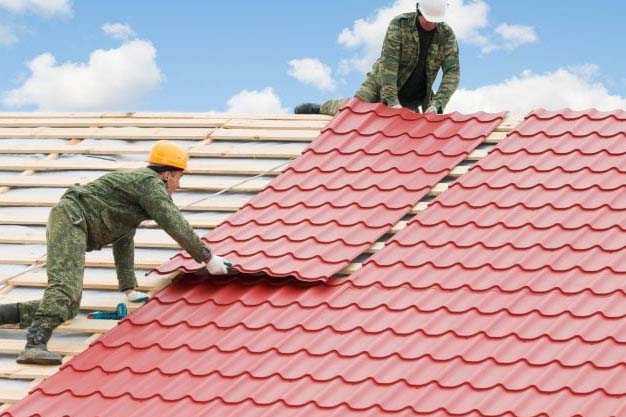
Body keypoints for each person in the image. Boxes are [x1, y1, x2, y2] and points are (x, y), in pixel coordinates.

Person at [0, 140, 233, 365]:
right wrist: (207, 257)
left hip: (74, 221)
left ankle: (4, 315)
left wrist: (128, 287)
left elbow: (124, 238)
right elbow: (174, 223)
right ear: (167, 174)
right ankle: (34, 345)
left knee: (69, 306)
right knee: (65, 288)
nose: (179, 186)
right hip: (72, 219)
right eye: (179, 178)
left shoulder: (135, 195)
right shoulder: (150, 185)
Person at [295, 0, 460, 116]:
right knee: (353, 112)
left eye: (435, 21)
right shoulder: (399, 25)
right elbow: (389, 63)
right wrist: (392, 101)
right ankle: (321, 108)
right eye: (428, 19)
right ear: (419, 11)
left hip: (416, 94)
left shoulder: (446, 35)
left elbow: (452, 72)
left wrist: (437, 104)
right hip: (381, 82)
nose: (431, 24)